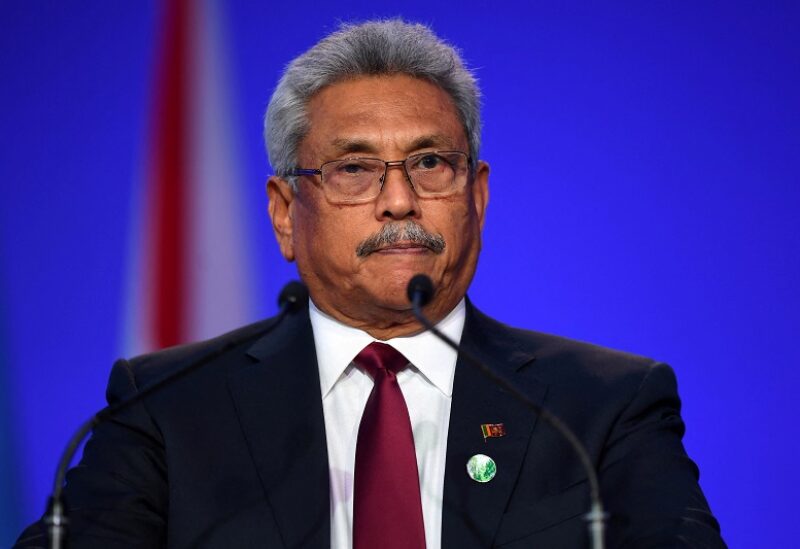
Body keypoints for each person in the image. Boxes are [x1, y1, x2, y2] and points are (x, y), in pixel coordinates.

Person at [16, 19, 725, 549]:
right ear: (286, 214)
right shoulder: (168, 407)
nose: (399, 200)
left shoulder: (601, 408)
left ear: (476, 198)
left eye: (430, 163)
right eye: (354, 169)